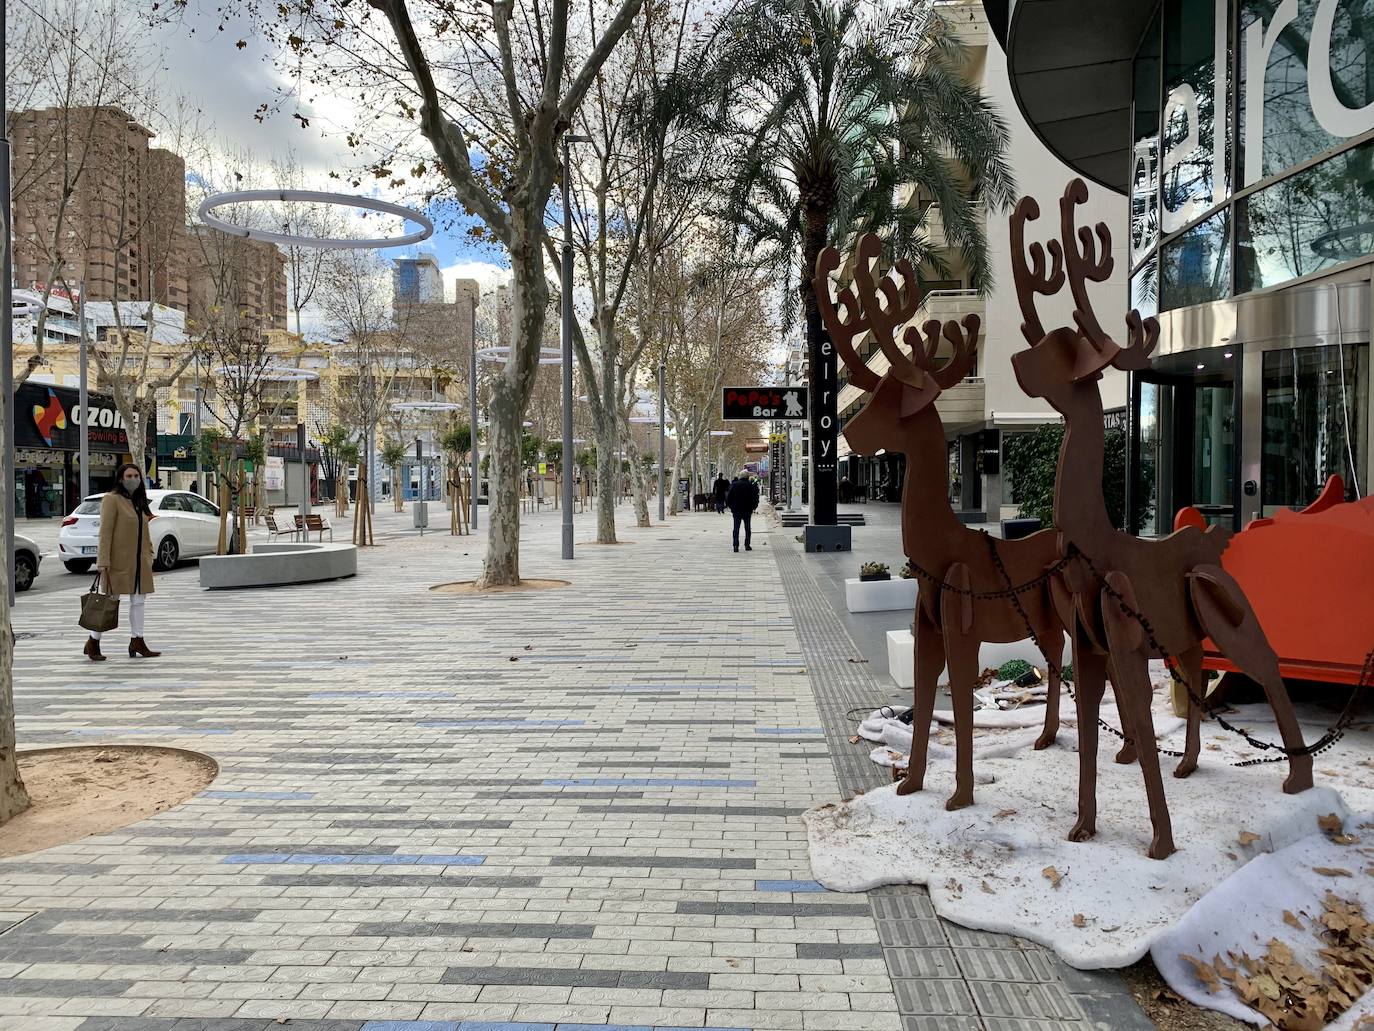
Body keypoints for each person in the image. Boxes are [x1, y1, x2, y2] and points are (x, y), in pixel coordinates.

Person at [84, 463, 160, 661]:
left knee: (139, 601)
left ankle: (138, 640)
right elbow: (105, 533)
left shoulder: (139, 501)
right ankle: (93, 641)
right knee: (109, 601)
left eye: (136, 475)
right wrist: (103, 562)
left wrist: (149, 553)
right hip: (117, 562)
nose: (133, 479)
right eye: (129, 475)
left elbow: (144, 530)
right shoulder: (112, 500)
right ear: (120, 478)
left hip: (139, 562)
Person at [726, 470, 759, 552]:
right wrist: (754, 507)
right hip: (747, 510)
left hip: (736, 510)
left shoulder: (734, 485)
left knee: (736, 528)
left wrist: (731, 507)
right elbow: (755, 498)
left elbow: (729, 497)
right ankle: (747, 545)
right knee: (747, 528)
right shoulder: (750, 486)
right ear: (747, 477)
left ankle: (735, 545)